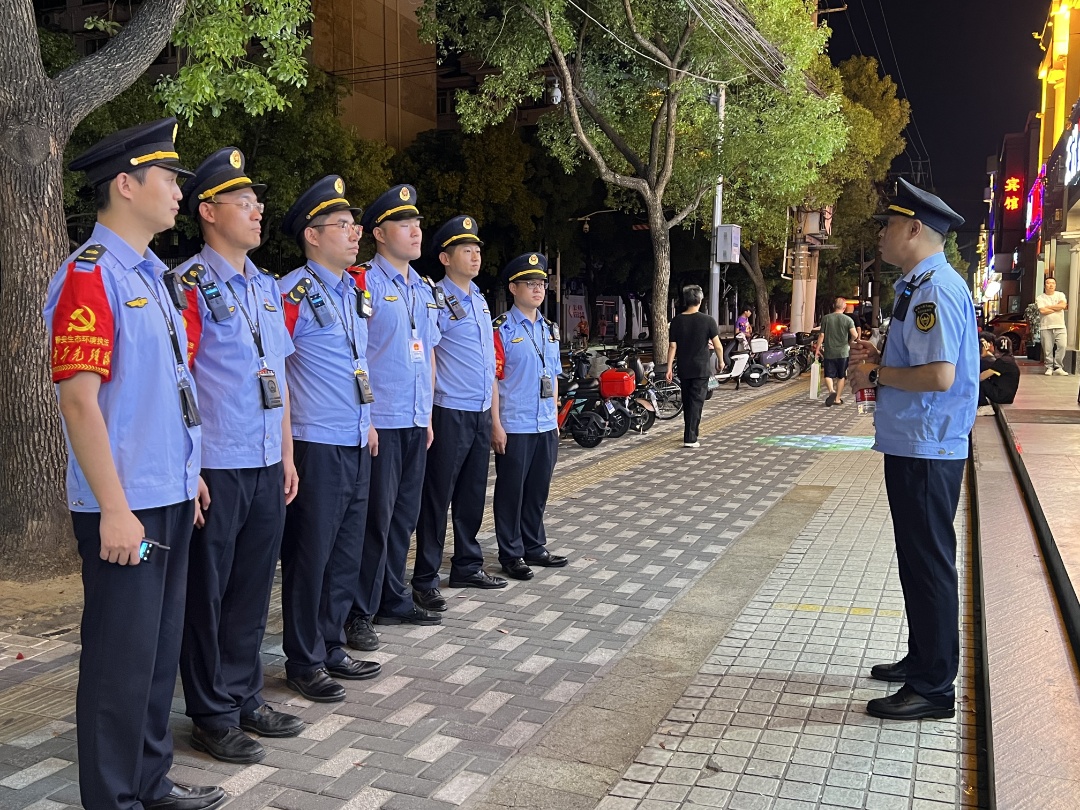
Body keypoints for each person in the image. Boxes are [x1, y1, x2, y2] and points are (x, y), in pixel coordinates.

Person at [42, 119, 225, 809]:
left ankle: (151, 783)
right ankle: (114, 797)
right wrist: (115, 509)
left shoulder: (154, 277)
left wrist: (189, 471)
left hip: (166, 492)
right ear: (125, 183)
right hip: (124, 504)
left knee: (154, 656)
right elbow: (79, 402)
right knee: (119, 663)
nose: (179, 192)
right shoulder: (91, 275)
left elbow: (163, 391)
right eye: (169, 178)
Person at [176, 148, 303, 763]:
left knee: (253, 587)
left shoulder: (267, 288)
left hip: (264, 460)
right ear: (208, 211)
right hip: (217, 464)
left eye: (258, 203)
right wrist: (192, 465)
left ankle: (244, 694)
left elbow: (278, 376)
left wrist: (287, 455)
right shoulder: (187, 287)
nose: (257, 213)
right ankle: (210, 713)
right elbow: (179, 382)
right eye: (244, 203)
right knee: (209, 593)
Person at [848, 178, 978, 721]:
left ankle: (933, 687)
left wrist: (877, 373)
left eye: (889, 226)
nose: (881, 235)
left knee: (928, 564)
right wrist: (880, 355)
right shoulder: (916, 286)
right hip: (915, 442)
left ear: (914, 229)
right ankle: (924, 658)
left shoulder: (934, 290)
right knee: (917, 560)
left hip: (928, 445)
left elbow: (939, 375)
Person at [274, 176, 383, 703]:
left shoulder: (354, 291)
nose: (355, 233)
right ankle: (303, 658)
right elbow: (276, 369)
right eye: (343, 225)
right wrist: (285, 450)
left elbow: (357, 365)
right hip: (314, 441)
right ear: (312, 235)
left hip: (355, 438)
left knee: (345, 551)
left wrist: (369, 421)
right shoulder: (292, 293)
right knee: (310, 555)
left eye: (355, 225)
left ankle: (331, 642)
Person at [344, 184, 443, 653]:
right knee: (374, 521)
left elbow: (429, 353)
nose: (416, 230)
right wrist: (364, 416)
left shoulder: (424, 288)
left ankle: (392, 597)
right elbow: (354, 354)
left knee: (404, 516)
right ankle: (358, 612)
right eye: (405, 224)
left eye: (417, 223)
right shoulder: (361, 282)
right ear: (379, 234)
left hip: (414, 419)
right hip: (380, 420)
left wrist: (428, 415)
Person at [412, 215, 507, 608]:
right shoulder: (435, 299)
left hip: (480, 411)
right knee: (437, 497)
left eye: (477, 249)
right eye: (466, 250)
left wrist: (494, 419)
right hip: (448, 410)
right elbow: (429, 354)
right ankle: (425, 577)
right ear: (445, 258)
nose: (475, 256)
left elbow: (488, 365)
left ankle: (467, 564)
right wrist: (427, 412)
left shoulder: (481, 301)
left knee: (471, 494)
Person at [491, 253, 568, 581]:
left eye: (541, 284)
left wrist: (555, 418)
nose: (538, 289)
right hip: (515, 424)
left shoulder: (550, 329)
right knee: (511, 492)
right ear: (513, 288)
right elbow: (493, 380)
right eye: (530, 283)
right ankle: (511, 553)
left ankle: (534, 546)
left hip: (545, 424)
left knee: (538, 490)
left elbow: (554, 376)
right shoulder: (501, 329)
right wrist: (496, 424)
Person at [666, 285, 724, 448]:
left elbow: (672, 346)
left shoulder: (677, 321)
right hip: (700, 368)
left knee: (688, 402)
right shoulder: (708, 320)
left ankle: (690, 432)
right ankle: (690, 438)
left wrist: (669, 368)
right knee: (696, 402)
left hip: (684, 368)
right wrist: (721, 361)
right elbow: (717, 345)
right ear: (700, 300)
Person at [814, 297, 858, 406]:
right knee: (841, 376)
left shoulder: (826, 318)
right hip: (843, 352)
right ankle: (837, 399)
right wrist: (849, 342)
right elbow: (855, 334)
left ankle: (831, 391)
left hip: (829, 352)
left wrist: (817, 349)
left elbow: (821, 335)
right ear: (844, 307)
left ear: (834, 306)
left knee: (828, 375)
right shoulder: (848, 320)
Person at [976, 331, 1020, 416]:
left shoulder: (1002, 362)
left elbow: (981, 377)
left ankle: (984, 406)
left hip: (1001, 396)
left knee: (980, 382)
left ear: (996, 347)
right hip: (1007, 396)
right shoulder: (1009, 359)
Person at [1036, 277, 1069, 375]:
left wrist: (1049, 307)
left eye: (1053, 283)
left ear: (1055, 285)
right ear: (1045, 285)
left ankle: (1058, 367)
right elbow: (1042, 311)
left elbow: (1063, 306)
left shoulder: (1060, 295)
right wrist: (1056, 308)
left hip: (1060, 325)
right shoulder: (1040, 298)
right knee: (1047, 349)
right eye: (1048, 283)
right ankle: (1049, 367)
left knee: (1062, 346)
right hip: (1046, 326)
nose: (1051, 285)